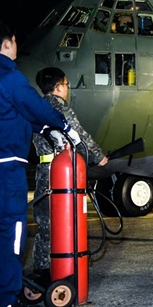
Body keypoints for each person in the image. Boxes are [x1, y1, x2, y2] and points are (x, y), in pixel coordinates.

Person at [0, 21, 81, 307]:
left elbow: (15, 113)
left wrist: (44, 130)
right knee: (12, 233)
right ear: (8, 42)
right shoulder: (9, 76)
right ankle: (6, 300)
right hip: (6, 169)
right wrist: (63, 127)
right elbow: (33, 105)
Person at [30, 67, 109, 286]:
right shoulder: (59, 107)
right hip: (60, 173)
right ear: (58, 86)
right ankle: (62, 272)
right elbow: (79, 135)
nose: (67, 89)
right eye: (66, 85)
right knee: (64, 223)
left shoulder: (37, 105)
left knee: (45, 225)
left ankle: (41, 271)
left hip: (43, 170)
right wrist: (99, 156)